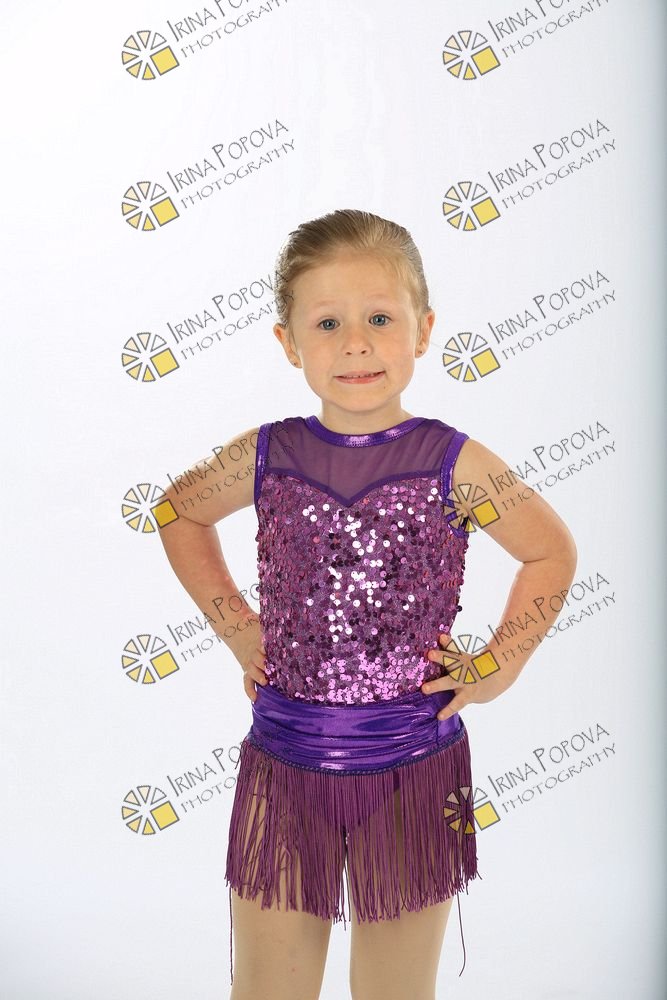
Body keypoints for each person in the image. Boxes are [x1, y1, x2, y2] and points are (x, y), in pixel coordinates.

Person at [158, 208, 578, 1000]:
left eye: (379, 318)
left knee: (394, 991)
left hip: (413, 767)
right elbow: (178, 512)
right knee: (268, 989)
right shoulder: (268, 454)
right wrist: (239, 629)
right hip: (284, 763)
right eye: (327, 323)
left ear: (423, 330)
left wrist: (497, 666)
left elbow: (548, 551)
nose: (355, 342)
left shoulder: (453, 462)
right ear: (288, 343)